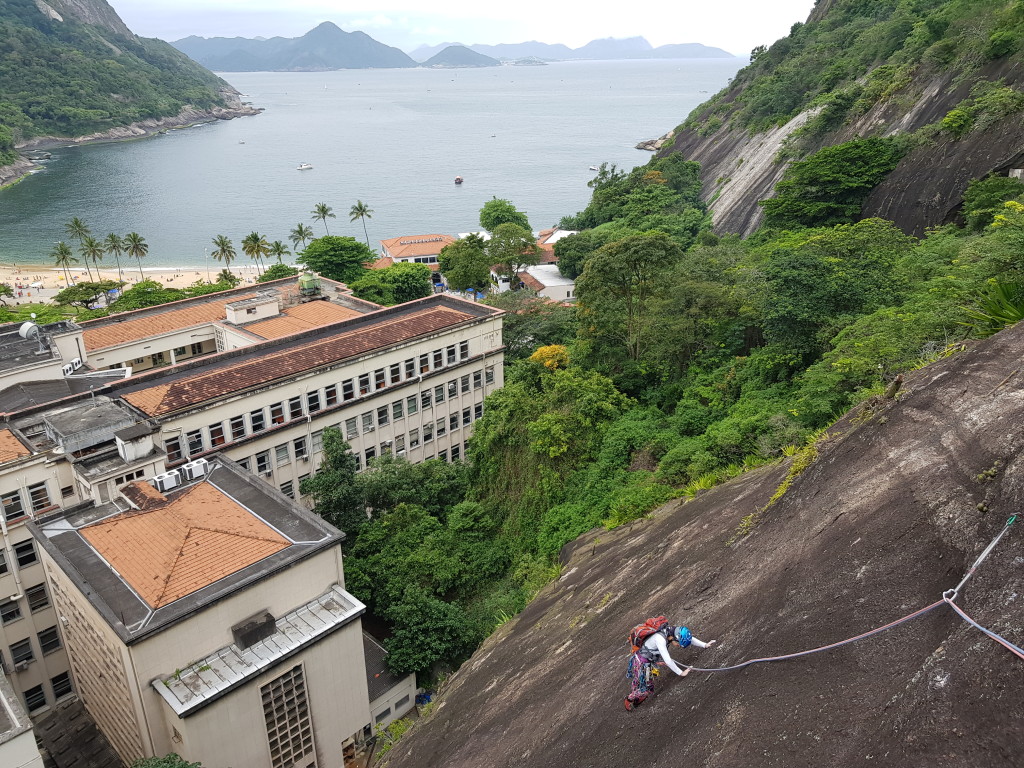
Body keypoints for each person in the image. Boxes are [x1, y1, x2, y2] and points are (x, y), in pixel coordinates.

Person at [624, 622, 716, 711]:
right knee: (646, 687)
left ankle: (636, 697)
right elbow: (668, 660)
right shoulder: (660, 639)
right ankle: (630, 699)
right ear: (674, 638)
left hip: (646, 659)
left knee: (641, 681)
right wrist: (681, 673)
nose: (678, 645)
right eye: (679, 643)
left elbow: (689, 638)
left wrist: (704, 645)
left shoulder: (671, 631)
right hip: (643, 663)